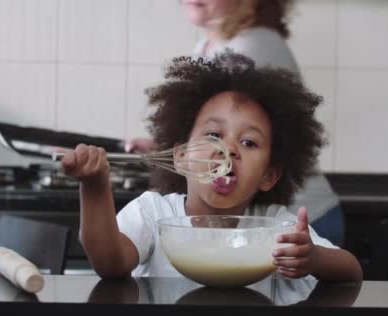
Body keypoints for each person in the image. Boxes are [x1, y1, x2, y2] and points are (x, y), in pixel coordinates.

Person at [61, 53, 362, 282]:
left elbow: (351, 271)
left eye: (249, 143)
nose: (228, 149)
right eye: (214, 135)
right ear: (180, 157)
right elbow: (109, 262)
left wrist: (314, 258)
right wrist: (95, 185)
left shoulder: (273, 226)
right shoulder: (154, 215)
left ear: (269, 175)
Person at [127, 0, 344, 246]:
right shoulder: (209, 44)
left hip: (298, 219)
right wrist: (161, 145)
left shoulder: (251, 45)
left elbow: (238, 134)